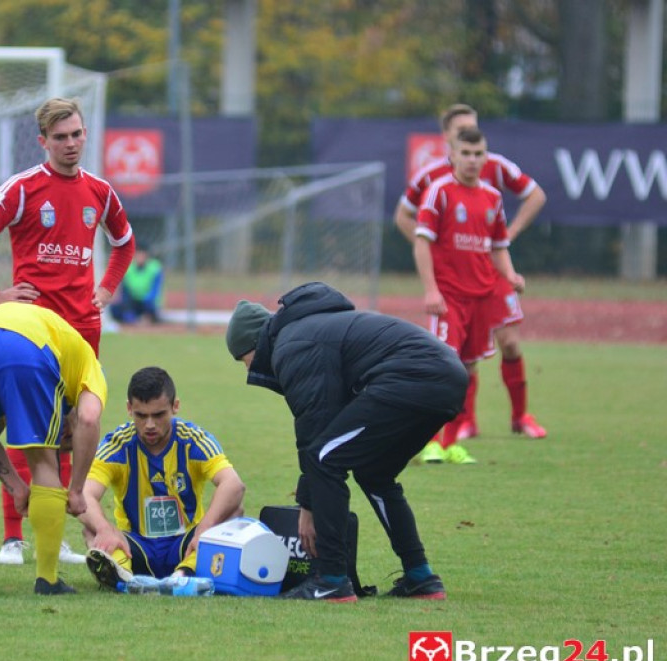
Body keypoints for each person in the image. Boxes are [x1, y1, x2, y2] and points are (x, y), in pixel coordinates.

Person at [0, 96, 135, 565]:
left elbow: (125, 243)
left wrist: (107, 287)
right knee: (21, 424)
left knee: (67, 430)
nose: (71, 144)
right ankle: (13, 537)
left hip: (81, 328)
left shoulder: (100, 191)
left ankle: (53, 534)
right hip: (31, 330)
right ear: (43, 141)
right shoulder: (23, 188)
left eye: (77, 134)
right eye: (60, 137)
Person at [225, 282, 467, 602]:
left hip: (412, 379)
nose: (249, 369)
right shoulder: (310, 330)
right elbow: (327, 424)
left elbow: (315, 428)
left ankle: (332, 581)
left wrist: (307, 504)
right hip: (446, 379)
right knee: (374, 473)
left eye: (245, 360)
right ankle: (420, 576)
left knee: (325, 459)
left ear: (254, 343)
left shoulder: (292, 344)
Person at [394, 103, 546, 445]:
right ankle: (461, 425)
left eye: (474, 130)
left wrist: (510, 237)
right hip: (454, 279)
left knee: (507, 341)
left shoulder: (494, 173)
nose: (473, 154)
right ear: (448, 139)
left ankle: (520, 416)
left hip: (492, 273)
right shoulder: (432, 179)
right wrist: (435, 255)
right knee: (457, 358)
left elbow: (534, 197)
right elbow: (403, 217)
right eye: (462, 131)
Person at [0, 303, 107, 595]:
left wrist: (17, 487)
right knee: (44, 463)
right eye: (66, 440)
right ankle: (48, 579)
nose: (63, 440)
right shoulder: (89, 364)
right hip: (29, 347)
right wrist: (77, 489)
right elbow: (90, 418)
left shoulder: (64, 343)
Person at [414, 127, 527, 464]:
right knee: (442, 368)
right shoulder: (439, 192)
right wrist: (431, 289)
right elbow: (422, 243)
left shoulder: (492, 196)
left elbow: (497, 246)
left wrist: (510, 274)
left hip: (482, 297)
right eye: (466, 153)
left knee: (467, 369)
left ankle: (451, 445)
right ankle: (429, 441)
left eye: (479, 154)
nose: (473, 160)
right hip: (449, 297)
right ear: (452, 156)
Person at [78, 367, 246, 590]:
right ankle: (124, 575)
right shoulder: (117, 444)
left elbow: (233, 484)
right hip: (135, 547)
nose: (149, 425)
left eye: (158, 415)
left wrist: (205, 528)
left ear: (175, 407)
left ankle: (183, 573)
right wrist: (104, 528)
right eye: (141, 415)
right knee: (92, 528)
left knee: (234, 511)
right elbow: (84, 494)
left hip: (186, 545)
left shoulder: (192, 439)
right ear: (129, 409)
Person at [109, 242, 164, 324]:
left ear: (147, 256)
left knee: (149, 306)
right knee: (115, 308)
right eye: (138, 254)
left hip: (147, 301)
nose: (140, 257)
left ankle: (146, 318)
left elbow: (155, 290)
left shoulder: (155, 268)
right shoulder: (128, 267)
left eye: (142, 254)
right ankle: (132, 318)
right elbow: (124, 290)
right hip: (132, 300)